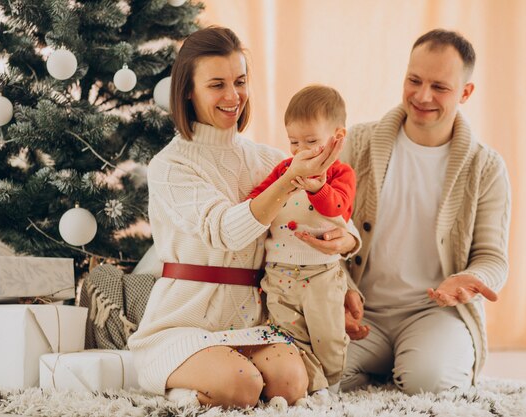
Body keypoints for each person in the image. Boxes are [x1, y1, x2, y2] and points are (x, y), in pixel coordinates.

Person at [127, 26, 358, 409]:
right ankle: (182, 393)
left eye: (240, 81)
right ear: (188, 90)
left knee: (291, 382)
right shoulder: (169, 166)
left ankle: (218, 385)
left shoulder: (268, 160)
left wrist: (348, 254)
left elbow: (320, 223)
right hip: (182, 323)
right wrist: (287, 181)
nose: (233, 96)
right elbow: (226, 232)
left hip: (255, 323)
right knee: (242, 385)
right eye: (217, 84)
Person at [337, 29, 512, 395]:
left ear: (465, 93)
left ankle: (411, 362)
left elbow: (492, 259)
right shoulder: (359, 142)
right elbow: (326, 227)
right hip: (361, 311)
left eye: (440, 87)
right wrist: (339, 293)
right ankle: (389, 362)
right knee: (317, 377)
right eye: (414, 80)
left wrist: (468, 279)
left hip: (434, 313)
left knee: (429, 381)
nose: (422, 96)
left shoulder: (486, 167)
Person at [246, 85, 356, 403]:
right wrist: (282, 184)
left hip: (321, 275)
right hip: (280, 273)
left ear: (337, 138)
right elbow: (257, 201)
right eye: (294, 142)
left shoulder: (341, 173)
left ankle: (332, 381)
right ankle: (314, 385)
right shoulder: (285, 169)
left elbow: (339, 208)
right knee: (289, 334)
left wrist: (317, 185)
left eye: (311, 142)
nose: (301, 151)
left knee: (328, 337)